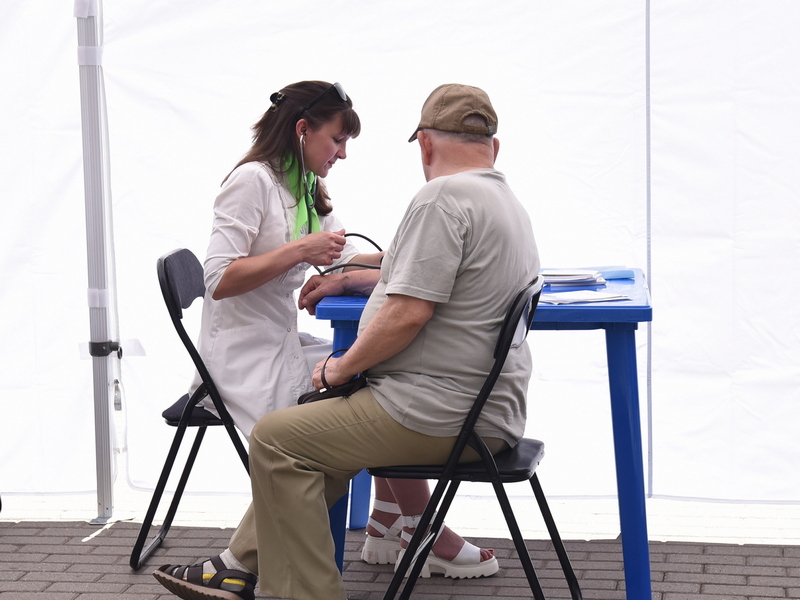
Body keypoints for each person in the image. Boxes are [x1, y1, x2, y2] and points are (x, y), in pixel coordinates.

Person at [154, 81, 500, 600]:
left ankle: (263, 557)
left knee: (374, 382)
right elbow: (217, 280)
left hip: (283, 341)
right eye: (337, 140)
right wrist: (299, 251)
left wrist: (410, 257)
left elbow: (339, 256)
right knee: (349, 405)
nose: (342, 154)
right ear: (302, 130)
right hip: (242, 355)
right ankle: (411, 528)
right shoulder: (250, 182)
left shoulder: (305, 186)